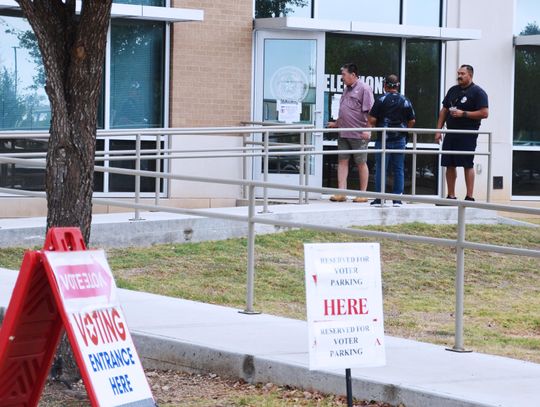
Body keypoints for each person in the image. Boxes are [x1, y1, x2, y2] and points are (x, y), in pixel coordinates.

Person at [435, 64, 489, 201]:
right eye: (458, 73)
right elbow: (444, 110)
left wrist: (463, 113)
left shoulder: (478, 92)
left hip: (468, 134)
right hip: (451, 132)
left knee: (467, 163)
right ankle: (451, 196)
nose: (459, 76)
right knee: (449, 163)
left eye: (462, 74)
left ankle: (469, 196)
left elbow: (484, 113)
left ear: (470, 75)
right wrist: (438, 130)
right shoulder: (453, 90)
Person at [327, 63, 374, 203]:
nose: (342, 78)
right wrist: (336, 124)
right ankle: (342, 193)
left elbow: (372, 112)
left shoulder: (364, 89)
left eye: (344, 75)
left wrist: (368, 129)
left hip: (359, 134)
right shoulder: (346, 89)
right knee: (342, 161)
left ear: (353, 75)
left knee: (361, 163)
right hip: (344, 133)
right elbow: (345, 110)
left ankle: (363, 194)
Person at [367, 74, 416, 207]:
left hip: (383, 139)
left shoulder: (381, 100)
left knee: (381, 169)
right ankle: (397, 199)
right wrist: (404, 130)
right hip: (400, 139)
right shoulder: (405, 100)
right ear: (397, 85)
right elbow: (412, 120)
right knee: (398, 169)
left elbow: (371, 120)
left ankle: (379, 199)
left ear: (385, 85)